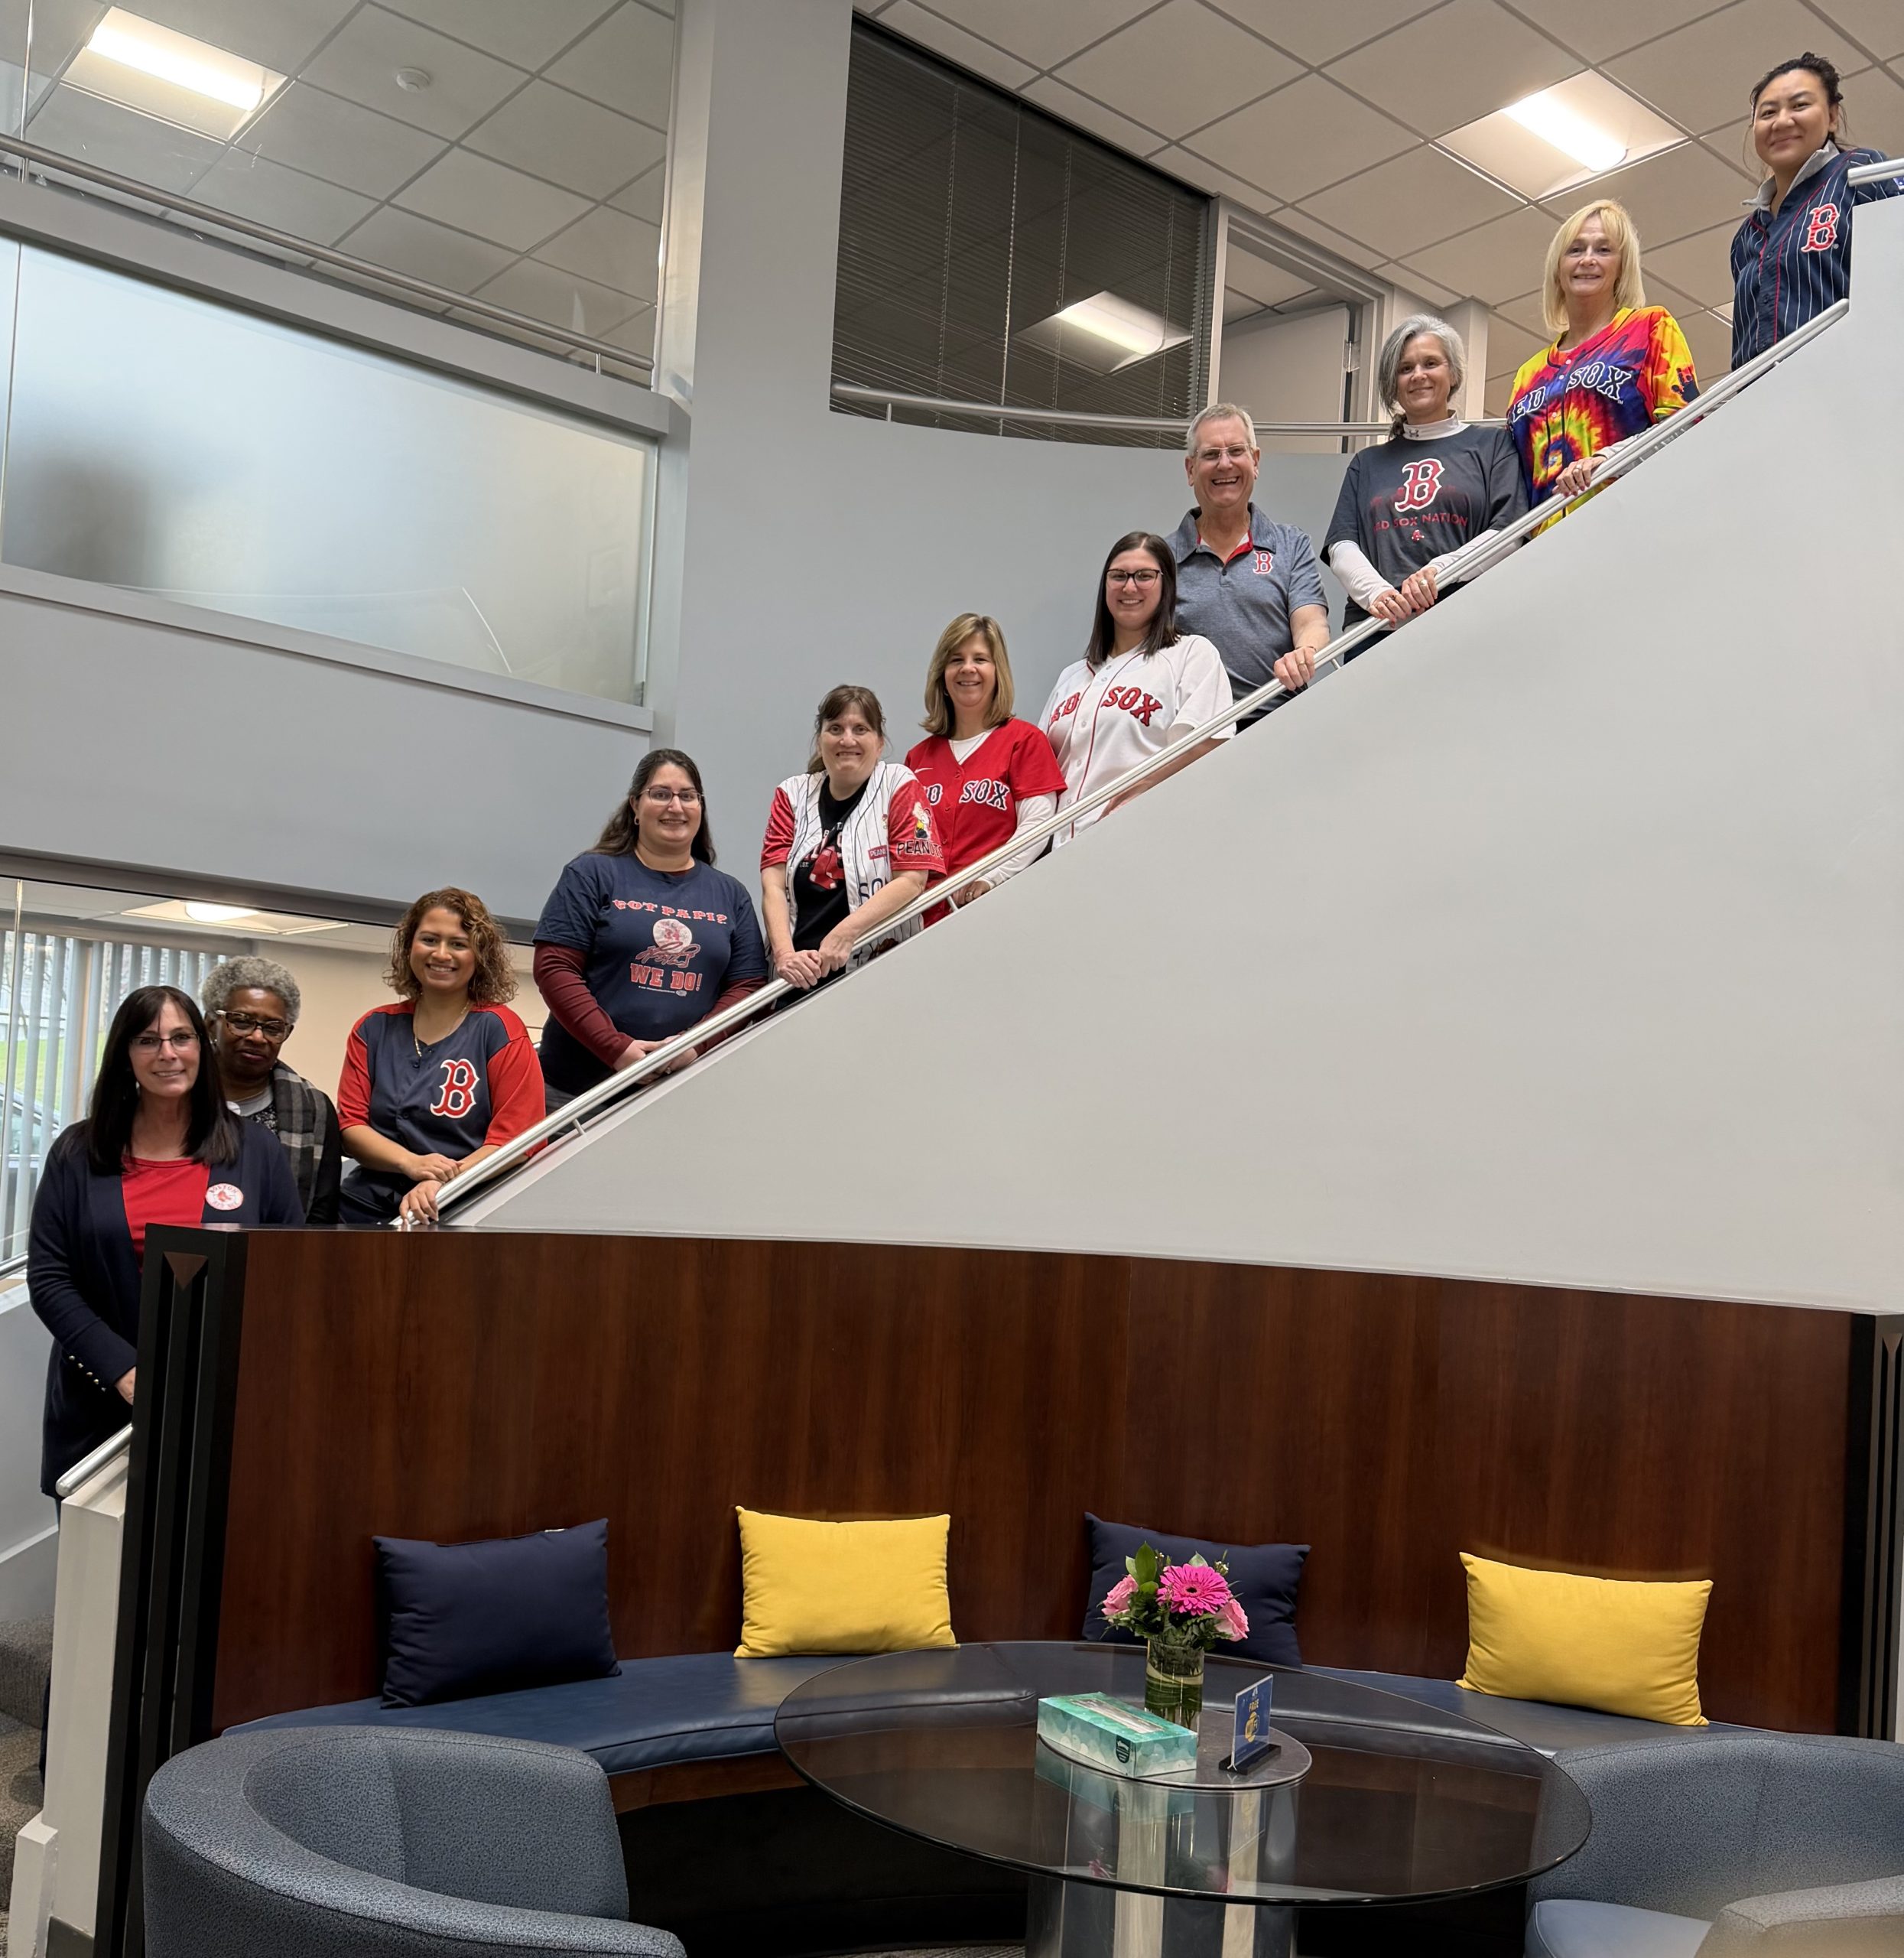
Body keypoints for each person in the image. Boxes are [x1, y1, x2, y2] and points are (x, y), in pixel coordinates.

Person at [27, 985, 302, 1495]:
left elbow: (288, 1273)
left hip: (222, 1405)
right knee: (100, 1568)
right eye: (149, 1040)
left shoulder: (255, 1151)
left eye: (182, 1037)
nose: (168, 1054)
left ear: (203, 1045)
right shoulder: (78, 1152)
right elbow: (49, 1279)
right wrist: (123, 1369)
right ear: (125, 1055)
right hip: (100, 1405)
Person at [533, 750, 768, 1108]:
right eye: (661, 794)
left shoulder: (731, 894)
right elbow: (555, 968)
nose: (675, 806)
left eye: (687, 796)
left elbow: (748, 986)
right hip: (574, 1093)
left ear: (700, 808)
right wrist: (617, 1049)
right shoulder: (592, 874)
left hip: (679, 1094)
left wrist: (694, 1045)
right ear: (635, 806)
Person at [336, 887, 543, 1225]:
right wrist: (410, 1163)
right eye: (429, 940)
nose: (441, 954)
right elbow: (351, 1126)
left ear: (480, 956)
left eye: (458, 944)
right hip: (366, 1205)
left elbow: (517, 1140)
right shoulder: (373, 1028)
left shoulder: (500, 1030)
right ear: (409, 947)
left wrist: (441, 1181)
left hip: (460, 1205)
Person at [1324, 314, 1529, 634]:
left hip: (1465, 624)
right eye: (1406, 368)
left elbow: (1511, 532)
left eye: (1430, 363)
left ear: (1454, 373)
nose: (1418, 375)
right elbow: (1341, 545)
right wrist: (1378, 594)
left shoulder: (1493, 445)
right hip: (1375, 631)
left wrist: (1441, 570)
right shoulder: (1367, 463)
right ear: (1393, 384)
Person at [1038, 531, 1235, 847]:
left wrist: (1143, 787)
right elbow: (1039, 773)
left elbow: (1207, 743)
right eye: (1118, 576)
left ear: (1166, 585)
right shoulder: (1071, 677)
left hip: (1141, 839)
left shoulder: (1190, 654)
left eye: (1144, 576)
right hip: (1058, 853)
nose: (1130, 587)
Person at [1507, 200, 1698, 509]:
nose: (1588, 260)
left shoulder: (1649, 328)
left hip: (1629, 522)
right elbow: (1512, 482)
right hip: (1544, 546)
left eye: (1604, 250)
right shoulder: (1528, 375)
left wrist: (1608, 460)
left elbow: (1687, 426)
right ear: (1558, 268)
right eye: (1575, 250)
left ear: (1622, 266)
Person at [761, 685, 945, 993]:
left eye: (860, 729)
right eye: (835, 729)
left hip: (880, 975)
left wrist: (846, 933)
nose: (847, 740)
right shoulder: (791, 794)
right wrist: (785, 956)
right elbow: (773, 885)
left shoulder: (899, 784)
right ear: (820, 741)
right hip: (798, 975)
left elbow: (912, 879)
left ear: (879, 742)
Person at [1732, 54, 1903, 367]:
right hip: (1760, 404)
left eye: (1800, 106)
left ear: (1833, 116)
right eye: (1768, 112)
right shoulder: (1747, 237)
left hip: (1853, 382)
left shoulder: (1862, 174)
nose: (1782, 121)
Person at [1171, 402, 1329, 721]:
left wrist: (1306, 653)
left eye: (1236, 451)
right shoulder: (1162, 558)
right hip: (1193, 734)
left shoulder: (1290, 544)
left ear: (1255, 462)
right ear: (1190, 469)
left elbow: (1311, 621)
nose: (1225, 464)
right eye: (1211, 454)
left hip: (1278, 722)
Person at [905, 614, 1067, 914]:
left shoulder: (1024, 741)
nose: (968, 669)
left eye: (980, 659)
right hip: (920, 921)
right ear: (942, 674)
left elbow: (1037, 826)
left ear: (998, 672)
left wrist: (991, 879)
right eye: (956, 660)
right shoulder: (918, 758)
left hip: (991, 911)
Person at [200, 956, 343, 1225]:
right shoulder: (174, 1098)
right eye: (241, 1021)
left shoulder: (315, 1110)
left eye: (273, 1028)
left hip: (278, 1255)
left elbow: (320, 1216)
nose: (257, 1037)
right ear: (210, 1024)